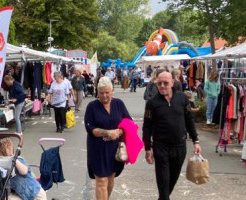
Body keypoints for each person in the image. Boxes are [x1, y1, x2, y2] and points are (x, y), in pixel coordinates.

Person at [142, 71, 201, 200]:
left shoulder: (182, 98)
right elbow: (146, 127)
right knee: (163, 183)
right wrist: (148, 148)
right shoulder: (152, 103)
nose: (162, 86)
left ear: (172, 83)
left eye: (165, 83)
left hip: (179, 147)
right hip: (161, 148)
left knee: (171, 182)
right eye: (159, 83)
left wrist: (196, 140)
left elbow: (189, 119)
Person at [84, 76, 131, 200]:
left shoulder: (118, 104)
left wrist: (118, 132)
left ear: (112, 91)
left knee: (110, 180)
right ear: (97, 92)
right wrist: (108, 133)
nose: (104, 96)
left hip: (114, 149)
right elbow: (91, 129)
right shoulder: (92, 107)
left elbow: (128, 122)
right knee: (101, 180)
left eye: (107, 93)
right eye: (101, 93)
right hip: (97, 149)